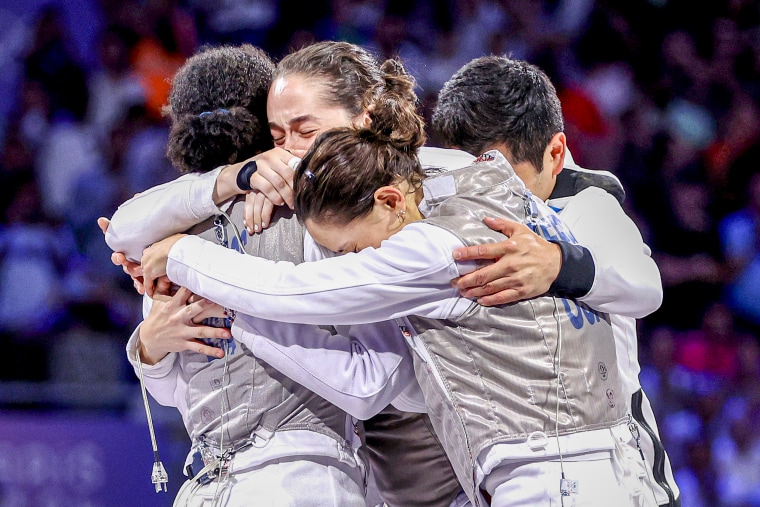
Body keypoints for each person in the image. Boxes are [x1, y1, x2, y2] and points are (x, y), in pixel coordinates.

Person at [138, 120, 643, 506]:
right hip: (603, 462)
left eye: (353, 247)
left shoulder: (430, 251)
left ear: (388, 199)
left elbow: (291, 291)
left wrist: (182, 255)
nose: (355, 260)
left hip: (554, 477)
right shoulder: (487, 185)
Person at [103, 41, 465, 507]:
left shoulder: (353, 215)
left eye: (303, 129)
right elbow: (178, 391)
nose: (292, 149)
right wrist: (151, 345)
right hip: (205, 481)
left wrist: (222, 296)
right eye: (278, 137)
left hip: (327, 475)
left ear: (366, 115)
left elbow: (376, 379)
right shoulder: (184, 223)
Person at [431, 55, 680, 507]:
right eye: (475, 176)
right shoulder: (442, 221)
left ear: (556, 153)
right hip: (504, 475)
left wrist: (557, 263)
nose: (493, 195)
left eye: (505, 178)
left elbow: (646, 285)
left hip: (618, 475)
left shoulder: (587, 207)